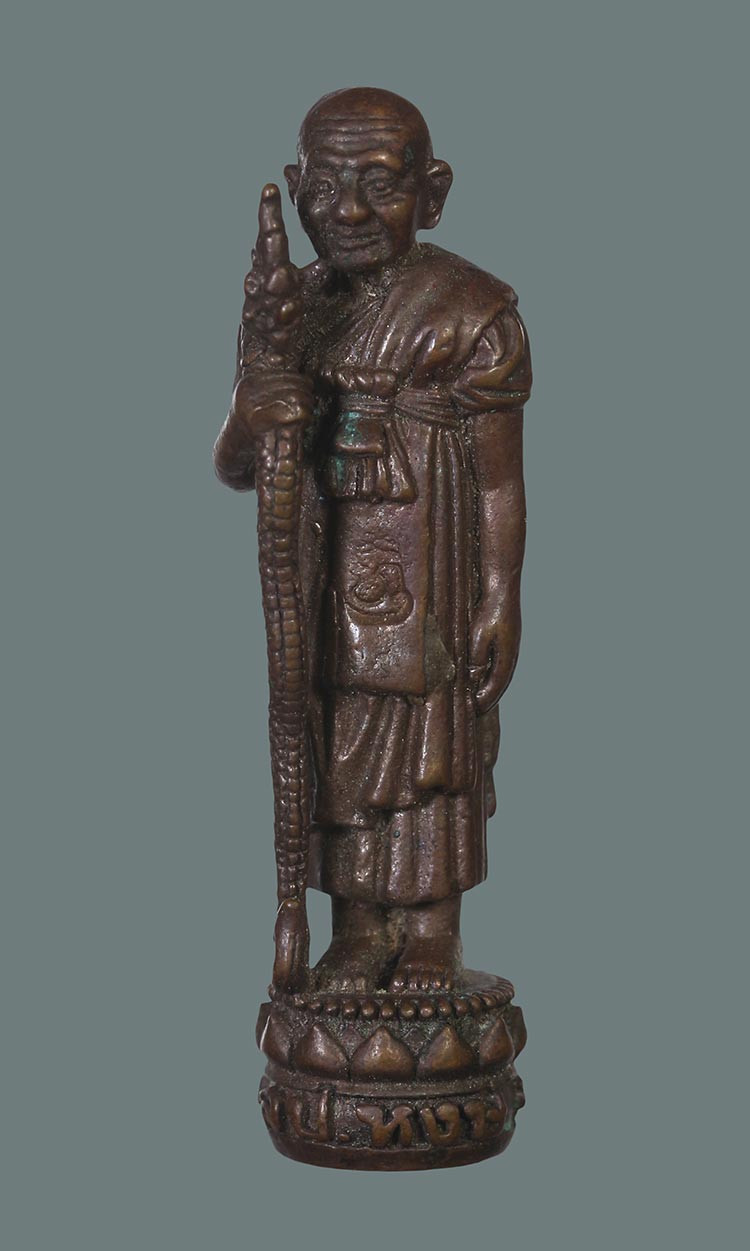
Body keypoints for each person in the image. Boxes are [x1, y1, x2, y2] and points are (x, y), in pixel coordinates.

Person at [214, 88, 532, 993]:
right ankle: (356, 932)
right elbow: (235, 463)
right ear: (294, 190)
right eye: (325, 187)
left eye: (380, 186)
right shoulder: (290, 312)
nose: (348, 211)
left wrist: (503, 594)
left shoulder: (472, 312)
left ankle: (431, 934)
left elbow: (500, 480)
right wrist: (254, 410)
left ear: (432, 194)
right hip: (326, 577)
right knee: (341, 740)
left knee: (435, 737)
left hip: (437, 570)